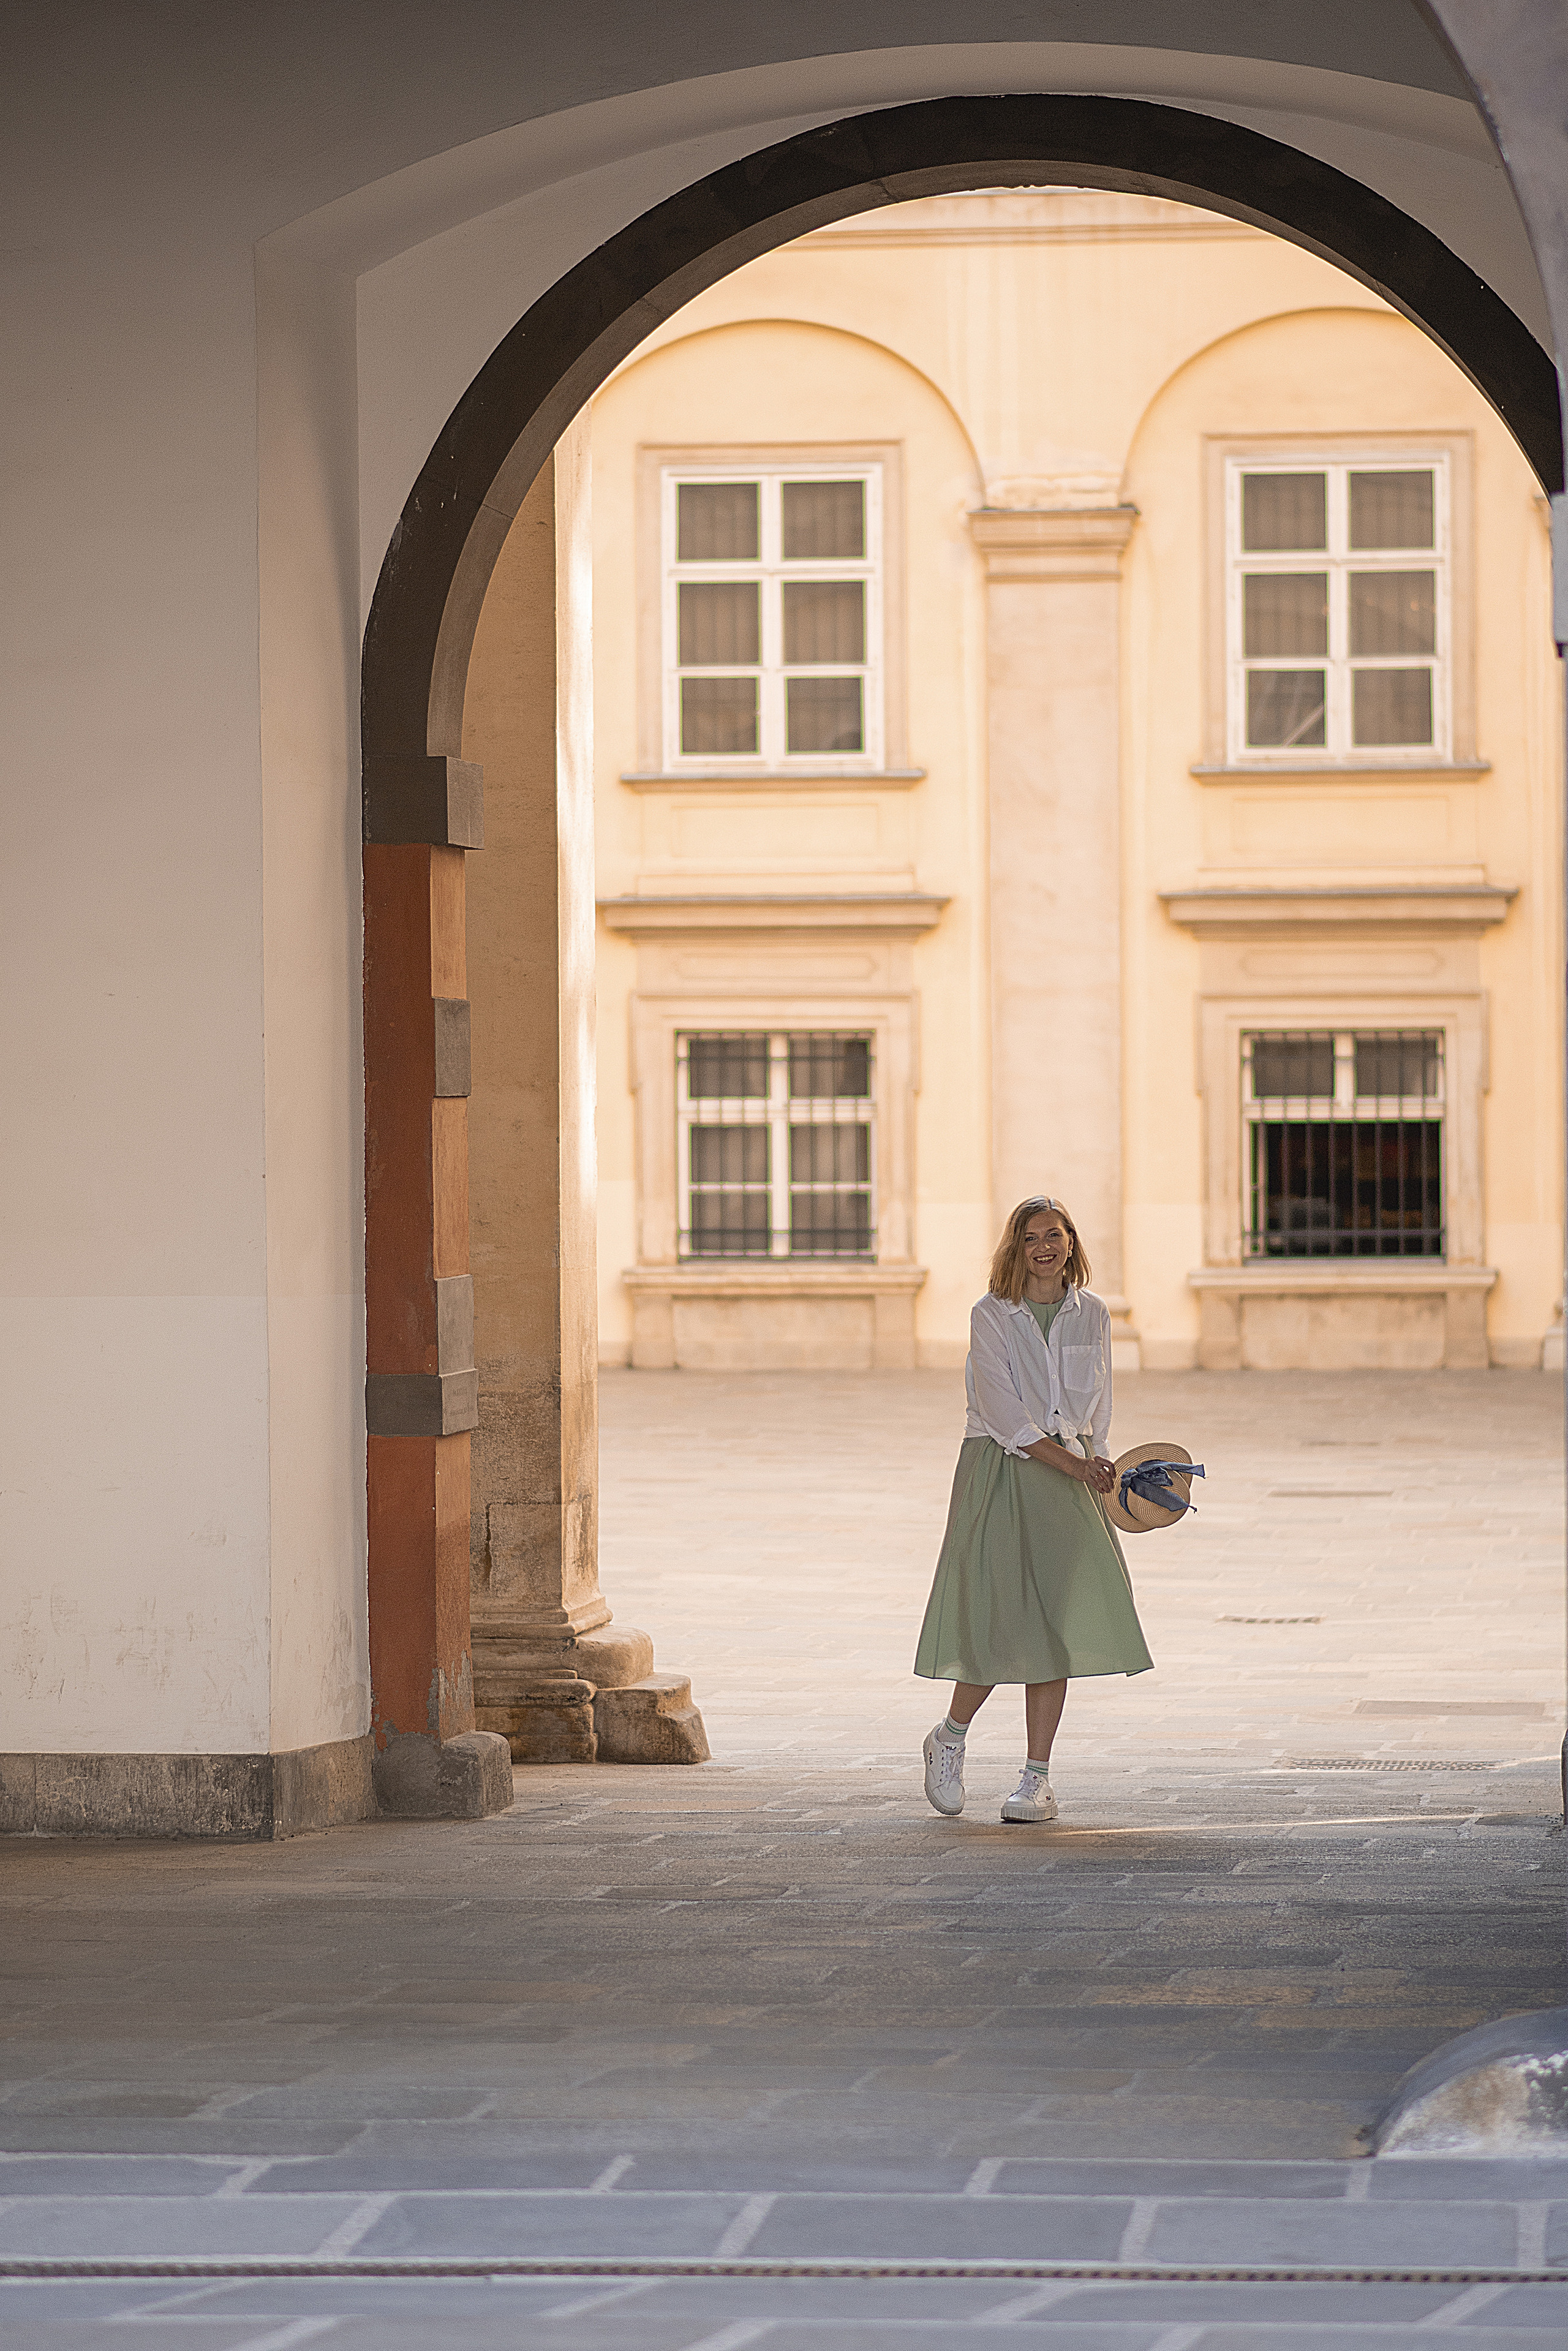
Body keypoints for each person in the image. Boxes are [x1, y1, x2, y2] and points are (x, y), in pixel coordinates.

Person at [913, 1195, 1153, 1822]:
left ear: (1071, 1241)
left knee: (1053, 1626)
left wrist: (1101, 1469)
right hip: (1002, 1471)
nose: (1044, 1246)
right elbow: (1003, 1416)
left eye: (1055, 1234)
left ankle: (1036, 1780)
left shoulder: (1094, 1313)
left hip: (1073, 1477)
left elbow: (1098, 1402)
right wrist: (1075, 1464)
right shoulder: (990, 1314)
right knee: (1002, 1620)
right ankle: (950, 1737)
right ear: (1014, 1249)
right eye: (1030, 1237)